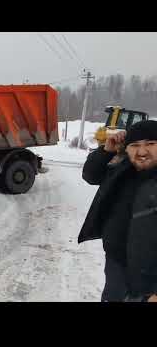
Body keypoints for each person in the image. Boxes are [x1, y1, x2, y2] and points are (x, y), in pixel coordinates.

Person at [78, 120, 157, 302]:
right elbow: (90, 175)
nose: (142, 151)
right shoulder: (121, 170)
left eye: (151, 144)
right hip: (117, 261)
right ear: (126, 149)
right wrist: (106, 151)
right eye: (135, 145)